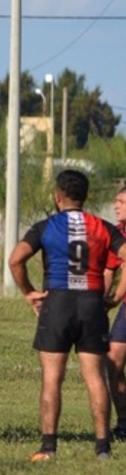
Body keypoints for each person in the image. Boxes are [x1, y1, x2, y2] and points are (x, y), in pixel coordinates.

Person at [9, 169, 126, 461]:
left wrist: (29, 291)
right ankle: (102, 449)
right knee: (95, 378)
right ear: (85, 198)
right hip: (91, 305)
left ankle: (48, 447)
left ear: (58, 197)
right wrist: (116, 297)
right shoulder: (103, 227)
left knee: (52, 378)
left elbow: (16, 259)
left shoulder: (46, 226)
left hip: (57, 303)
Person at [105, 185, 126, 440]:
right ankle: (123, 423)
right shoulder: (117, 233)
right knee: (112, 362)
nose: (116, 205)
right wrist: (102, 299)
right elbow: (109, 270)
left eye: (121, 200)